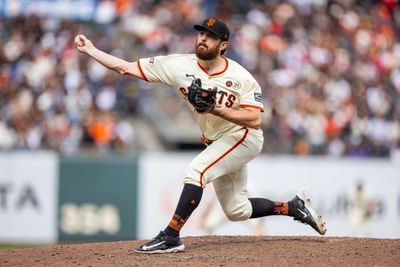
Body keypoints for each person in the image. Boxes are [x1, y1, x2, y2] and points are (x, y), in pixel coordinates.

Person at [74, 17, 327, 254]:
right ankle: (294, 207)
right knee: (236, 210)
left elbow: (255, 119)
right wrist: (91, 50)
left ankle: (171, 235)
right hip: (219, 141)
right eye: (201, 34)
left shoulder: (241, 77)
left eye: (211, 36)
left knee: (197, 171)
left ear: (223, 44)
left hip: (244, 136)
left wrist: (216, 108)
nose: (203, 39)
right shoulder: (177, 65)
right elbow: (126, 68)